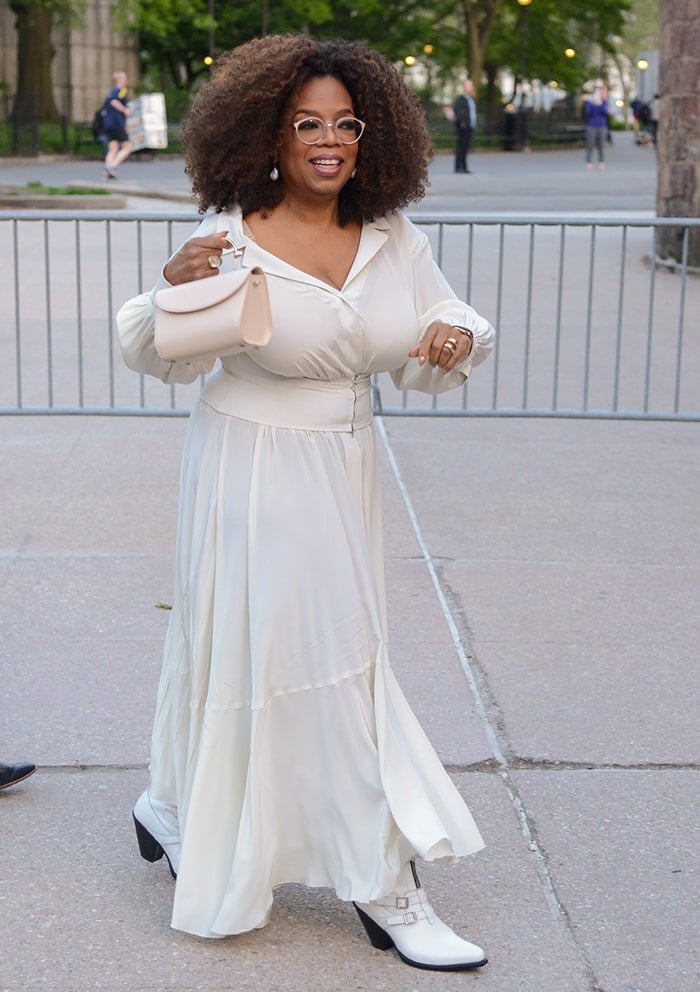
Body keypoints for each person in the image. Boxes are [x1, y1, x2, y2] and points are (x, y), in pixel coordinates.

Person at [117, 34, 494, 971]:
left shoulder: (392, 236)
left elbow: (438, 332)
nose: (329, 140)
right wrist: (174, 285)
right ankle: (383, 883)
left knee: (279, 651)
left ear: (372, 136)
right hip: (250, 466)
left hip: (344, 462)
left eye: (346, 123)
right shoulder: (233, 232)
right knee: (318, 662)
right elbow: (148, 347)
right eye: (306, 124)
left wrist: (450, 340)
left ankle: (171, 807)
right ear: (268, 137)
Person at [102, 71, 133, 180]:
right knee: (128, 147)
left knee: (113, 148)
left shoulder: (110, 92)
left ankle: (107, 172)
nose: (126, 80)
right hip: (117, 123)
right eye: (124, 78)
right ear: (119, 80)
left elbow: (105, 109)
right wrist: (125, 110)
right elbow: (114, 102)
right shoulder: (121, 90)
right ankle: (112, 166)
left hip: (108, 124)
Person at [452, 79, 477, 173]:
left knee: (465, 147)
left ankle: (464, 166)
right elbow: (458, 111)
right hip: (463, 126)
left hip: (470, 125)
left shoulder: (471, 99)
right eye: (468, 86)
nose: (470, 88)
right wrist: (462, 121)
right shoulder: (460, 99)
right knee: (461, 146)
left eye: (471, 86)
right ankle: (458, 167)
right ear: (464, 87)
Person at [584, 85, 609, 169]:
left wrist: (600, 104)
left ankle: (601, 161)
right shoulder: (590, 103)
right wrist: (593, 105)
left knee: (601, 145)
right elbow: (588, 113)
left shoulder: (604, 102)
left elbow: (605, 113)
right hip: (591, 126)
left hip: (602, 126)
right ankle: (588, 161)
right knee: (590, 144)